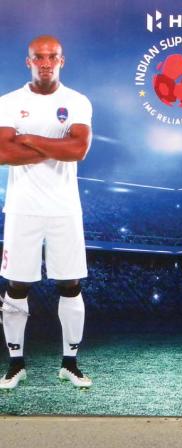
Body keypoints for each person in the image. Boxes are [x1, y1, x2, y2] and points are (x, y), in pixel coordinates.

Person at [0, 35, 93, 389]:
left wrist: (28, 138)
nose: (45, 62)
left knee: (70, 285)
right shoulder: (8, 102)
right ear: (28, 62)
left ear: (61, 61)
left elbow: (79, 148)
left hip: (64, 209)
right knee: (16, 285)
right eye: (38, 57)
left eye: (51, 57)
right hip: (22, 208)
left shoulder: (77, 101)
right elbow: (3, 153)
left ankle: (70, 363)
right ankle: (15, 363)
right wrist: (57, 145)